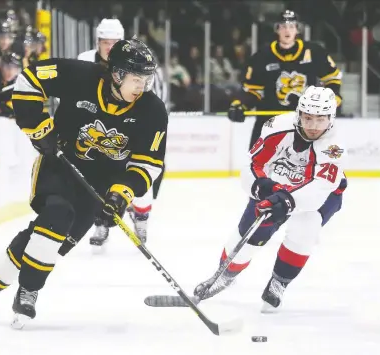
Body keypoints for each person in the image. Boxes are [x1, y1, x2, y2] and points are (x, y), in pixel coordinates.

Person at [0, 38, 167, 328]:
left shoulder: (153, 110)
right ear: (118, 74)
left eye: (147, 80)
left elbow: (148, 163)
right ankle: (30, 288)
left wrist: (119, 196)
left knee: (44, 245)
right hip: (60, 166)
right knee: (58, 216)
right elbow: (30, 78)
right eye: (137, 79)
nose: (142, 87)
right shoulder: (82, 76)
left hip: (98, 187)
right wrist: (38, 128)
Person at [192, 86, 347, 311]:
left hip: (319, 196)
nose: (313, 126)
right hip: (277, 184)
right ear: (299, 114)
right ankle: (225, 275)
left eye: (320, 119)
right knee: (250, 233)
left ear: (331, 119)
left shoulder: (335, 146)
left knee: (306, 228)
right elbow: (253, 165)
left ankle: (279, 282)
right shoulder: (277, 126)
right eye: (308, 118)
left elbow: (320, 187)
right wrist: (263, 186)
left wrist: (287, 201)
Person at [78, 19, 167, 250]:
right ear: (97, 42)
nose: (109, 48)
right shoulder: (84, 62)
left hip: (132, 130)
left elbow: (154, 99)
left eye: (114, 42)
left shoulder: (137, 62)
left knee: (139, 175)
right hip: (99, 131)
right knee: (98, 178)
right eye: (105, 42)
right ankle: (101, 221)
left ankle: (142, 217)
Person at [228, 10, 343, 150]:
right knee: (256, 167)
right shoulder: (262, 56)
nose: (287, 30)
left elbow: (332, 78)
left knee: (306, 165)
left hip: (304, 122)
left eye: (291, 26)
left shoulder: (314, 52)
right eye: (283, 26)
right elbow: (253, 90)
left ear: (297, 30)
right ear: (277, 29)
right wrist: (240, 105)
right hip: (270, 122)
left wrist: (333, 96)